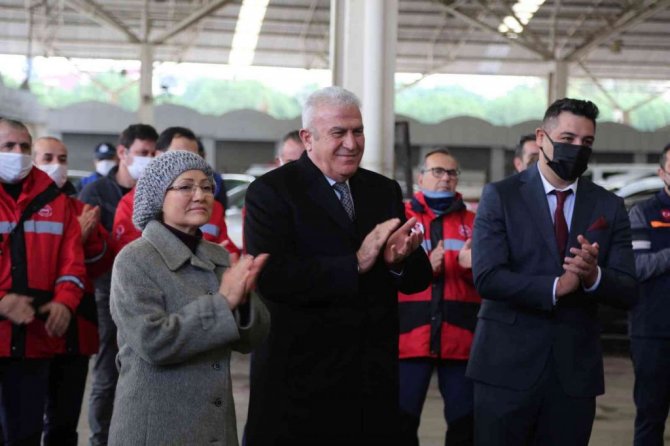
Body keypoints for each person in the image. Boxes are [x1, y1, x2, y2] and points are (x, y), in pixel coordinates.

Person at [244, 86, 432, 445]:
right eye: (338, 133)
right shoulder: (272, 192)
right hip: (300, 384)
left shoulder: (383, 191)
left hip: (370, 384)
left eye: (357, 131)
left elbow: (417, 278)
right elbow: (272, 277)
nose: (351, 143)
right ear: (308, 138)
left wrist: (398, 262)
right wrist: (355, 264)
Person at [468, 98, 638, 446]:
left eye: (586, 142)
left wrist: (593, 277)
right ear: (541, 137)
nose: (577, 148)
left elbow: (627, 288)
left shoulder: (608, 205)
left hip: (573, 374)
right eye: (567, 138)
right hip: (505, 369)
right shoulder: (501, 196)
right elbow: (487, 277)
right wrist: (555, 287)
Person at [107, 150, 269, 445]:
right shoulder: (135, 260)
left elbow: (250, 341)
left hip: (214, 425)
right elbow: (153, 341)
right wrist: (223, 303)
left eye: (207, 187)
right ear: (158, 197)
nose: (201, 195)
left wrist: (244, 301)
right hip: (157, 427)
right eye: (186, 187)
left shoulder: (219, 256)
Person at [0, 119, 86, 445]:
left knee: (26, 434)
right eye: (8, 146)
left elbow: (72, 262)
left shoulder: (54, 200)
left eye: (24, 146)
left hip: (34, 340)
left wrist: (65, 300)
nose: (18, 153)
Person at [79, 123, 158, 446]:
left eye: (153, 153)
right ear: (123, 152)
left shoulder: (158, 190)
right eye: (143, 152)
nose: (149, 159)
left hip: (150, 294)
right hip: (106, 291)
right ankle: (100, 439)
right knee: (107, 374)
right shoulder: (96, 193)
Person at [33, 136, 113, 446]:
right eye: (48, 158)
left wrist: (85, 240)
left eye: (62, 159)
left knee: (64, 424)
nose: (57, 165)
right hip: (30, 332)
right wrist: (73, 240)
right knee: (23, 424)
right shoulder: (18, 209)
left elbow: (100, 263)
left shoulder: (80, 208)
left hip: (75, 332)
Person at [398, 149, 480, 446]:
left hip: (461, 340)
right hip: (409, 339)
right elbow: (383, 276)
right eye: (438, 171)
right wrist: (424, 269)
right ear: (420, 178)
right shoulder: (402, 219)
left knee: (465, 425)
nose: (446, 178)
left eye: (452, 173)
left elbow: (492, 281)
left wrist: (472, 266)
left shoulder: (475, 222)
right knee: (400, 424)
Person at [111, 126, 240, 256]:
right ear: (158, 157)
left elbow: (229, 252)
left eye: (193, 157)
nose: (188, 163)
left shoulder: (212, 207)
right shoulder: (133, 205)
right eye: (178, 156)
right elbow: (133, 255)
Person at [628, 142, 670, 446]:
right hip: (654, 333)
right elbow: (638, 267)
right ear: (662, 173)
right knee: (651, 417)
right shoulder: (644, 213)